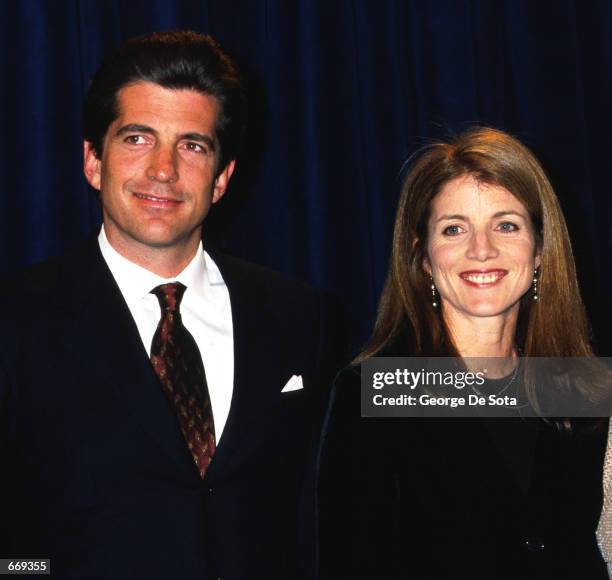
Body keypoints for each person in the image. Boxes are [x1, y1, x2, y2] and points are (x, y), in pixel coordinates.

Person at [0, 30, 338, 580]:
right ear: (92, 162)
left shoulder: (301, 315)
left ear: (222, 179)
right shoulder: (15, 319)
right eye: (137, 138)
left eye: (192, 145)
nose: (163, 168)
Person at [318, 127, 610, 579]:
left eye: (506, 225)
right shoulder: (377, 391)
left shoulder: (582, 387)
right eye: (454, 229)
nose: (482, 250)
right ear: (423, 258)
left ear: (539, 251)